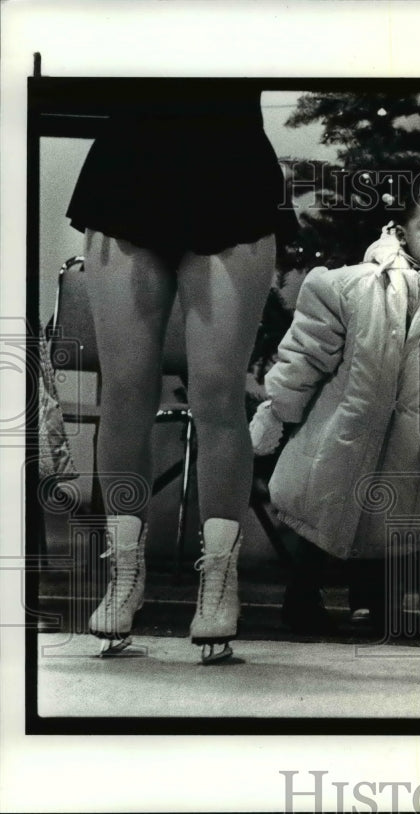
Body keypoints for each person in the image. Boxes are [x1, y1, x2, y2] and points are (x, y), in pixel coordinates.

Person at [68, 82, 297, 662]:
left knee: (217, 391)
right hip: (130, 159)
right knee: (124, 388)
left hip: (229, 163)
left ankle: (220, 580)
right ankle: (124, 574)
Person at [249, 185, 420, 637]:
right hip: (340, 430)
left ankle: (380, 607)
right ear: (401, 234)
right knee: (318, 514)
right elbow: (307, 354)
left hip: (407, 436)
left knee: (391, 529)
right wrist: (278, 410)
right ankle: (302, 597)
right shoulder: (355, 285)